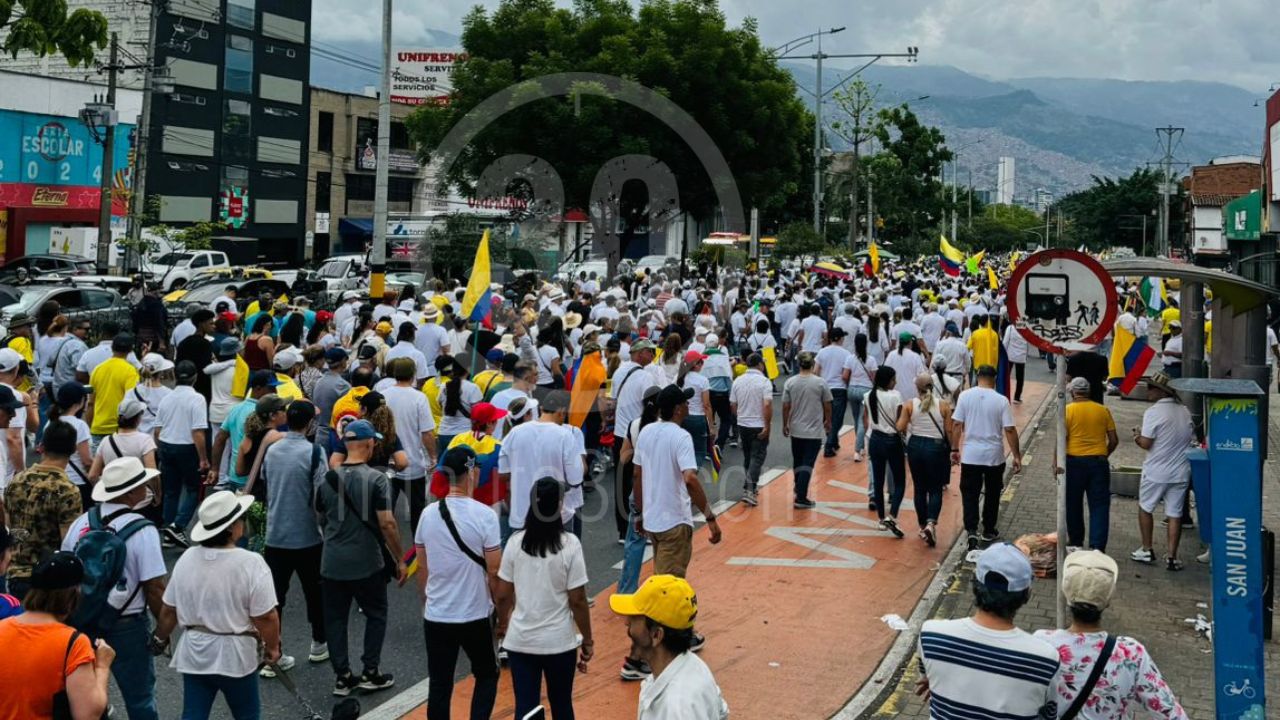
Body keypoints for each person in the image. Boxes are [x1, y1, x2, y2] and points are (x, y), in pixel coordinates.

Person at [153, 491, 281, 720]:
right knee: (247, 713)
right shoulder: (251, 563)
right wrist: (272, 647)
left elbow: (169, 610)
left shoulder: (188, 558)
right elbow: (266, 616)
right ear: (232, 528)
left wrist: (161, 637)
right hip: (236, 653)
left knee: (194, 713)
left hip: (195, 650)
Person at [62, 456, 168, 720]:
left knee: (85, 697)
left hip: (83, 619)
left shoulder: (82, 522)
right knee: (140, 698)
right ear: (131, 492)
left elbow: (67, 570)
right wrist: (163, 631)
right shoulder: (143, 530)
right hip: (126, 623)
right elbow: (154, 587)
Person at [1033, 551, 1189, 720]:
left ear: (1066, 592)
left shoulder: (1041, 643)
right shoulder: (1130, 653)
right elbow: (1171, 713)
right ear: (1108, 600)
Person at [917, 544, 1059, 720]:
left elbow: (928, 678)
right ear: (1027, 594)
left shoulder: (931, 635)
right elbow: (1050, 713)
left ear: (975, 585)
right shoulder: (1045, 658)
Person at [316, 419, 404, 696]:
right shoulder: (376, 479)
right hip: (367, 560)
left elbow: (320, 517)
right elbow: (387, 524)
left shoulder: (327, 479)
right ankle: (370, 671)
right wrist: (400, 558)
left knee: (335, 619)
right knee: (376, 614)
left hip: (332, 561)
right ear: (369, 444)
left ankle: (342, 676)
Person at [415, 445, 502, 720]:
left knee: (440, 682)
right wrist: (500, 610)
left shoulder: (428, 514)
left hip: (438, 614)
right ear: (472, 472)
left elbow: (423, 567)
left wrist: (427, 602)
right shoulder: (485, 516)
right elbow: (494, 570)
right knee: (487, 673)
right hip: (475, 612)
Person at [495, 478, 592, 719]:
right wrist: (588, 639)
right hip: (559, 641)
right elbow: (578, 599)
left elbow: (503, 594)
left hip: (521, 640)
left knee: (526, 709)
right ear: (559, 506)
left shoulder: (516, 543)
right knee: (562, 705)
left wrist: (503, 624)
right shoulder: (570, 545)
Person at [0, 552, 115, 720]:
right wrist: (102, 666)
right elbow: (87, 715)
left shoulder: (2, 628)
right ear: (73, 594)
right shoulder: (73, 643)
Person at [260, 401, 330, 674]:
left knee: (275, 597)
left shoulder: (272, 450)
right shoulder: (314, 452)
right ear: (310, 424)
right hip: (308, 534)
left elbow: (266, 481)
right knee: (315, 591)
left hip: (276, 532)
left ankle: (273, 650)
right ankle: (318, 643)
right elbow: (321, 494)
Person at [609, 575, 729, 720]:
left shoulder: (677, 708)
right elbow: (722, 712)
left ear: (656, 635)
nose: (627, 623)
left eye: (634, 618)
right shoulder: (694, 666)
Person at [3, 420, 81, 600]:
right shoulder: (67, 490)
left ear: (41, 446)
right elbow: (68, 542)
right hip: (48, 579)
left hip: (15, 573)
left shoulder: (17, 480)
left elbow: (9, 528)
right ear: (73, 449)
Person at [951, 365, 1022, 552]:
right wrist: (1016, 456)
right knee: (992, 493)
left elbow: (957, 424)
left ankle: (972, 530)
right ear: (995, 378)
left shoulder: (965, 396)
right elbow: (1009, 429)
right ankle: (989, 529)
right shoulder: (1001, 401)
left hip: (971, 455)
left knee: (970, 493)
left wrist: (954, 448)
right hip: (994, 456)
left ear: (978, 376)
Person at [1131, 372, 1194, 571]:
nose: (1147, 391)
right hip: (1181, 471)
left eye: (1150, 388)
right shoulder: (1185, 411)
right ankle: (1172, 556)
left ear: (1160, 391)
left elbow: (1147, 443)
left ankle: (1147, 548)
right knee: (1175, 513)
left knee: (1145, 507)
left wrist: (1137, 436)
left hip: (1156, 471)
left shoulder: (1153, 413)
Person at [499, 391, 583, 536]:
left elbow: (503, 474)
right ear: (562, 412)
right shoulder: (565, 436)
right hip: (557, 516)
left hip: (521, 515)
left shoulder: (514, 433)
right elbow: (575, 479)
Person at [1059, 377, 1118, 553]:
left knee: (1073, 503)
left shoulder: (1067, 410)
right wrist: (1103, 454)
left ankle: (1076, 542)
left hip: (1073, 462)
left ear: (1072, 392)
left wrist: (1056, 463)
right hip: (1098, 463)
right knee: (1099, 505)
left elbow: (1062, 440)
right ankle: (1097, 546)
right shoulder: (1103, 410)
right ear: (1089, 392)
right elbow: (1114, 440)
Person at [609, 338, 661, 539]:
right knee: (642, 483)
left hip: (619, 435)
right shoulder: (645, 377)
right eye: (650, 351)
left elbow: (613, 401)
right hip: (638, 435)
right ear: (640, 353)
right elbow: (650, 407)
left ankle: (623, 531)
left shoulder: (619, 372)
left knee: (621, 484)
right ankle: (641, 528)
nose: (652, 355)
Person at [154, 361, 209, 547]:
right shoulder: (197, 399)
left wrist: (160, 448)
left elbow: (157, 430)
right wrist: (203, 458)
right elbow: (198, 432)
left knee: (171, 490)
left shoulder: (167, 398)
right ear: (195, 377)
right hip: (187, 447)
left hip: (166, 444)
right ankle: (178, 527)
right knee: (194, 489)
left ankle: (168, 528)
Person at [383, 358, 438, 534]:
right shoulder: (419, 398)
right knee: (417, 511)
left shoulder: (383, 395)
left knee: (386, 509)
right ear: (413, 374)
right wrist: (433, 457)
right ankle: (416, 549)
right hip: (413, 463)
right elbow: (427, 433)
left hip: (388, 463)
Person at [899, 374, 953, 547]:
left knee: (919, 489)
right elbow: (949, 431)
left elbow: (900, 427)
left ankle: (922, 525)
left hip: (915, 446)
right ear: (933, 386)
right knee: (935, 489)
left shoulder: (910, 404)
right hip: (936, 448)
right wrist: (953, 449)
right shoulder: (944, 405)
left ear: (917, 387)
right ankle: (931, 523)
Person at [782, 351, 831, 509]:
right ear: (811, 365)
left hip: (796, 429)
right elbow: (827, 404)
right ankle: (801, 496)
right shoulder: (820, 383)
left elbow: (785, 405)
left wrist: (785, 423)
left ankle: (799, 487)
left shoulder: (790, 382)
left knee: (798, 460)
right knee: (808, 463)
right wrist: (828, 421)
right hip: (813, 430)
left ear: (798, 364)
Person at [864, 366, 906, 538]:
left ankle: (881, 519)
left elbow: (866, 418)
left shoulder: (868, 395)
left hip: (875, 439)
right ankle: (893, 515)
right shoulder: (895, 396)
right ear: (888, 381)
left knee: (878, 481)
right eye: (893, 379)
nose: (895, 382)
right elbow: (900, 420)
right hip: (892, 440)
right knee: (900, 481)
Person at [730, 352, 772, 507]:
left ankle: (750, 487)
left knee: (748, 456)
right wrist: (767, 425)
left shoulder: (737, 381)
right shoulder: (764, 382)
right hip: (758, 423)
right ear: (760, 364)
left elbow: (733, 404)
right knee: (758, 456)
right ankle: (749, 488)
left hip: (743, 424)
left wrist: (740, 416)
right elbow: (767, 405)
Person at [86, 334, 141, 451]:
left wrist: (91, 427)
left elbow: (91, 403)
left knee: (98, 467)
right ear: (131, 350)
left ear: (112, 348)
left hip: (98, 428)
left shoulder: (98, 369)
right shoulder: (130, 371)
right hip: (119, 429)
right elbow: (131, 402)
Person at [814, 327, 850, 457]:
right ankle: (829, 445)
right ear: (840, 338)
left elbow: (816, 371)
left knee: (827, 417)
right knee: (837, 419)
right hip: (840, 389)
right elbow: (846, 374)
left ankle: (833, 440)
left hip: (824, 388)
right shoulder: (846, 354)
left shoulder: (822, 352)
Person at [845, 333, 879, 463]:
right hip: (866, 391)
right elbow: (874, 378)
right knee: (862, 421)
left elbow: (845, 376)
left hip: (852, 389)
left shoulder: (850, 358)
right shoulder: (871, 360)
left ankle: (861, 446)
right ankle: (858, 450)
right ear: (866, 343)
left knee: (856, 419)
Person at [1001, 315, 1029, 403]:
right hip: (1021, 357)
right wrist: (1026, 355)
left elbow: (1005, 342)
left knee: (1006, 376)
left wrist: (1003, 354)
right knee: (1020, 378)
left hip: (1010, 356)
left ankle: (1004, 394)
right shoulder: (1026, 330)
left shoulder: (1010, 328)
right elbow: (1027, 344)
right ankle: (1017, 397)